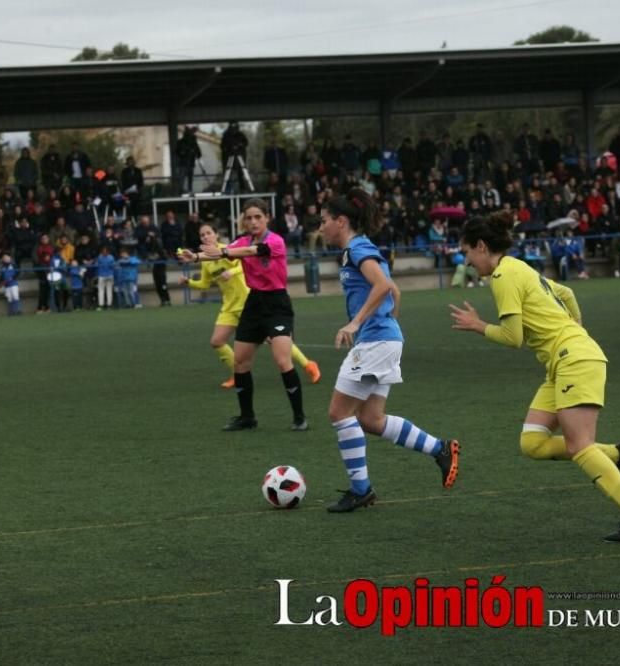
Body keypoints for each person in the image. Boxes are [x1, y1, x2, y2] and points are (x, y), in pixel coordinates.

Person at [449, 212, 620, 542]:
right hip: (565, 361)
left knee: (579, 446)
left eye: (467, 252)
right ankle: (619, 456)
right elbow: (567, 295)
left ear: (481, 246)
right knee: (532, 443)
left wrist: (478, 325)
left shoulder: (503, 275)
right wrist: (575, 327)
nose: (468, 260)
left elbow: (512, 337)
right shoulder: (520, 266)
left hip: (574, 360)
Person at [319, 188, 460, 512]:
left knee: (339, 413)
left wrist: (358, 324)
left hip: (376, 341)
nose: (321, 227)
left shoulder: (357, 247)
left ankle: (361, 490)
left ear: (341, 221)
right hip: (383, 339)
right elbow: (393, 291)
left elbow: (384, 286)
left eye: (324, 221)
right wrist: (387, 323)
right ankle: (440, 449)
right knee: (370, 418)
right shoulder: (354, 250)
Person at [183, 199, 307, 431]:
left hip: (277, 303)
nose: (253, 221)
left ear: (267, 218)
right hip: (254, 303)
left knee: (282, 360)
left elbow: (251, 252)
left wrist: (224, 251)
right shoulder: (241, 241)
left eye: (258, 216)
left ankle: (299, 416)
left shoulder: (275, 241)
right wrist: (196, 257)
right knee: (240, 361)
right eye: (249, 217)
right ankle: (247, 417)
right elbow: (224, 254)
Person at [180, 221, 321, 389]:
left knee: (273, 340)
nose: (206, 236)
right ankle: (236, 374)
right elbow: (204, 284)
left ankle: (308, 365)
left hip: (247, 301)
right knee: (217, 341)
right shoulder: (207, 260)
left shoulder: (229, 248)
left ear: (216, 234)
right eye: (202, 235)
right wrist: (189, 281)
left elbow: (246, 261)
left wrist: (231, 271)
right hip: (229, 306)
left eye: (209, 233)